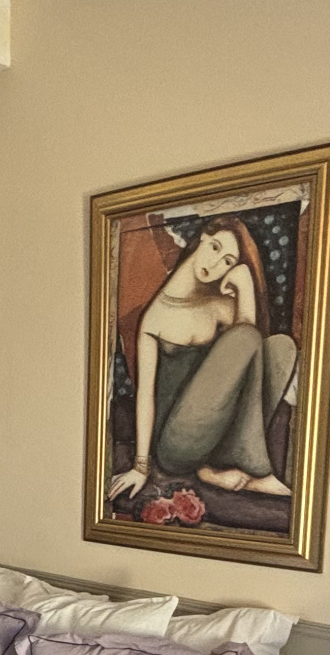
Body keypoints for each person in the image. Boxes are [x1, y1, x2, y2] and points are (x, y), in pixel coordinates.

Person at [107, 215, 298, 505]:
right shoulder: (154, 317)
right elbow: (145, 394)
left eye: (228, 262)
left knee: (281, 348)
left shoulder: (218, 305)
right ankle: (258, 469)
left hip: (214, 435)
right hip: (175, 442)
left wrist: (244, 283)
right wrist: (140, 467)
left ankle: (210, 469)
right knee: (245, 336)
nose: (217, 263)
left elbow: (252, 359)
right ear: (203, 239)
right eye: (215, 248)